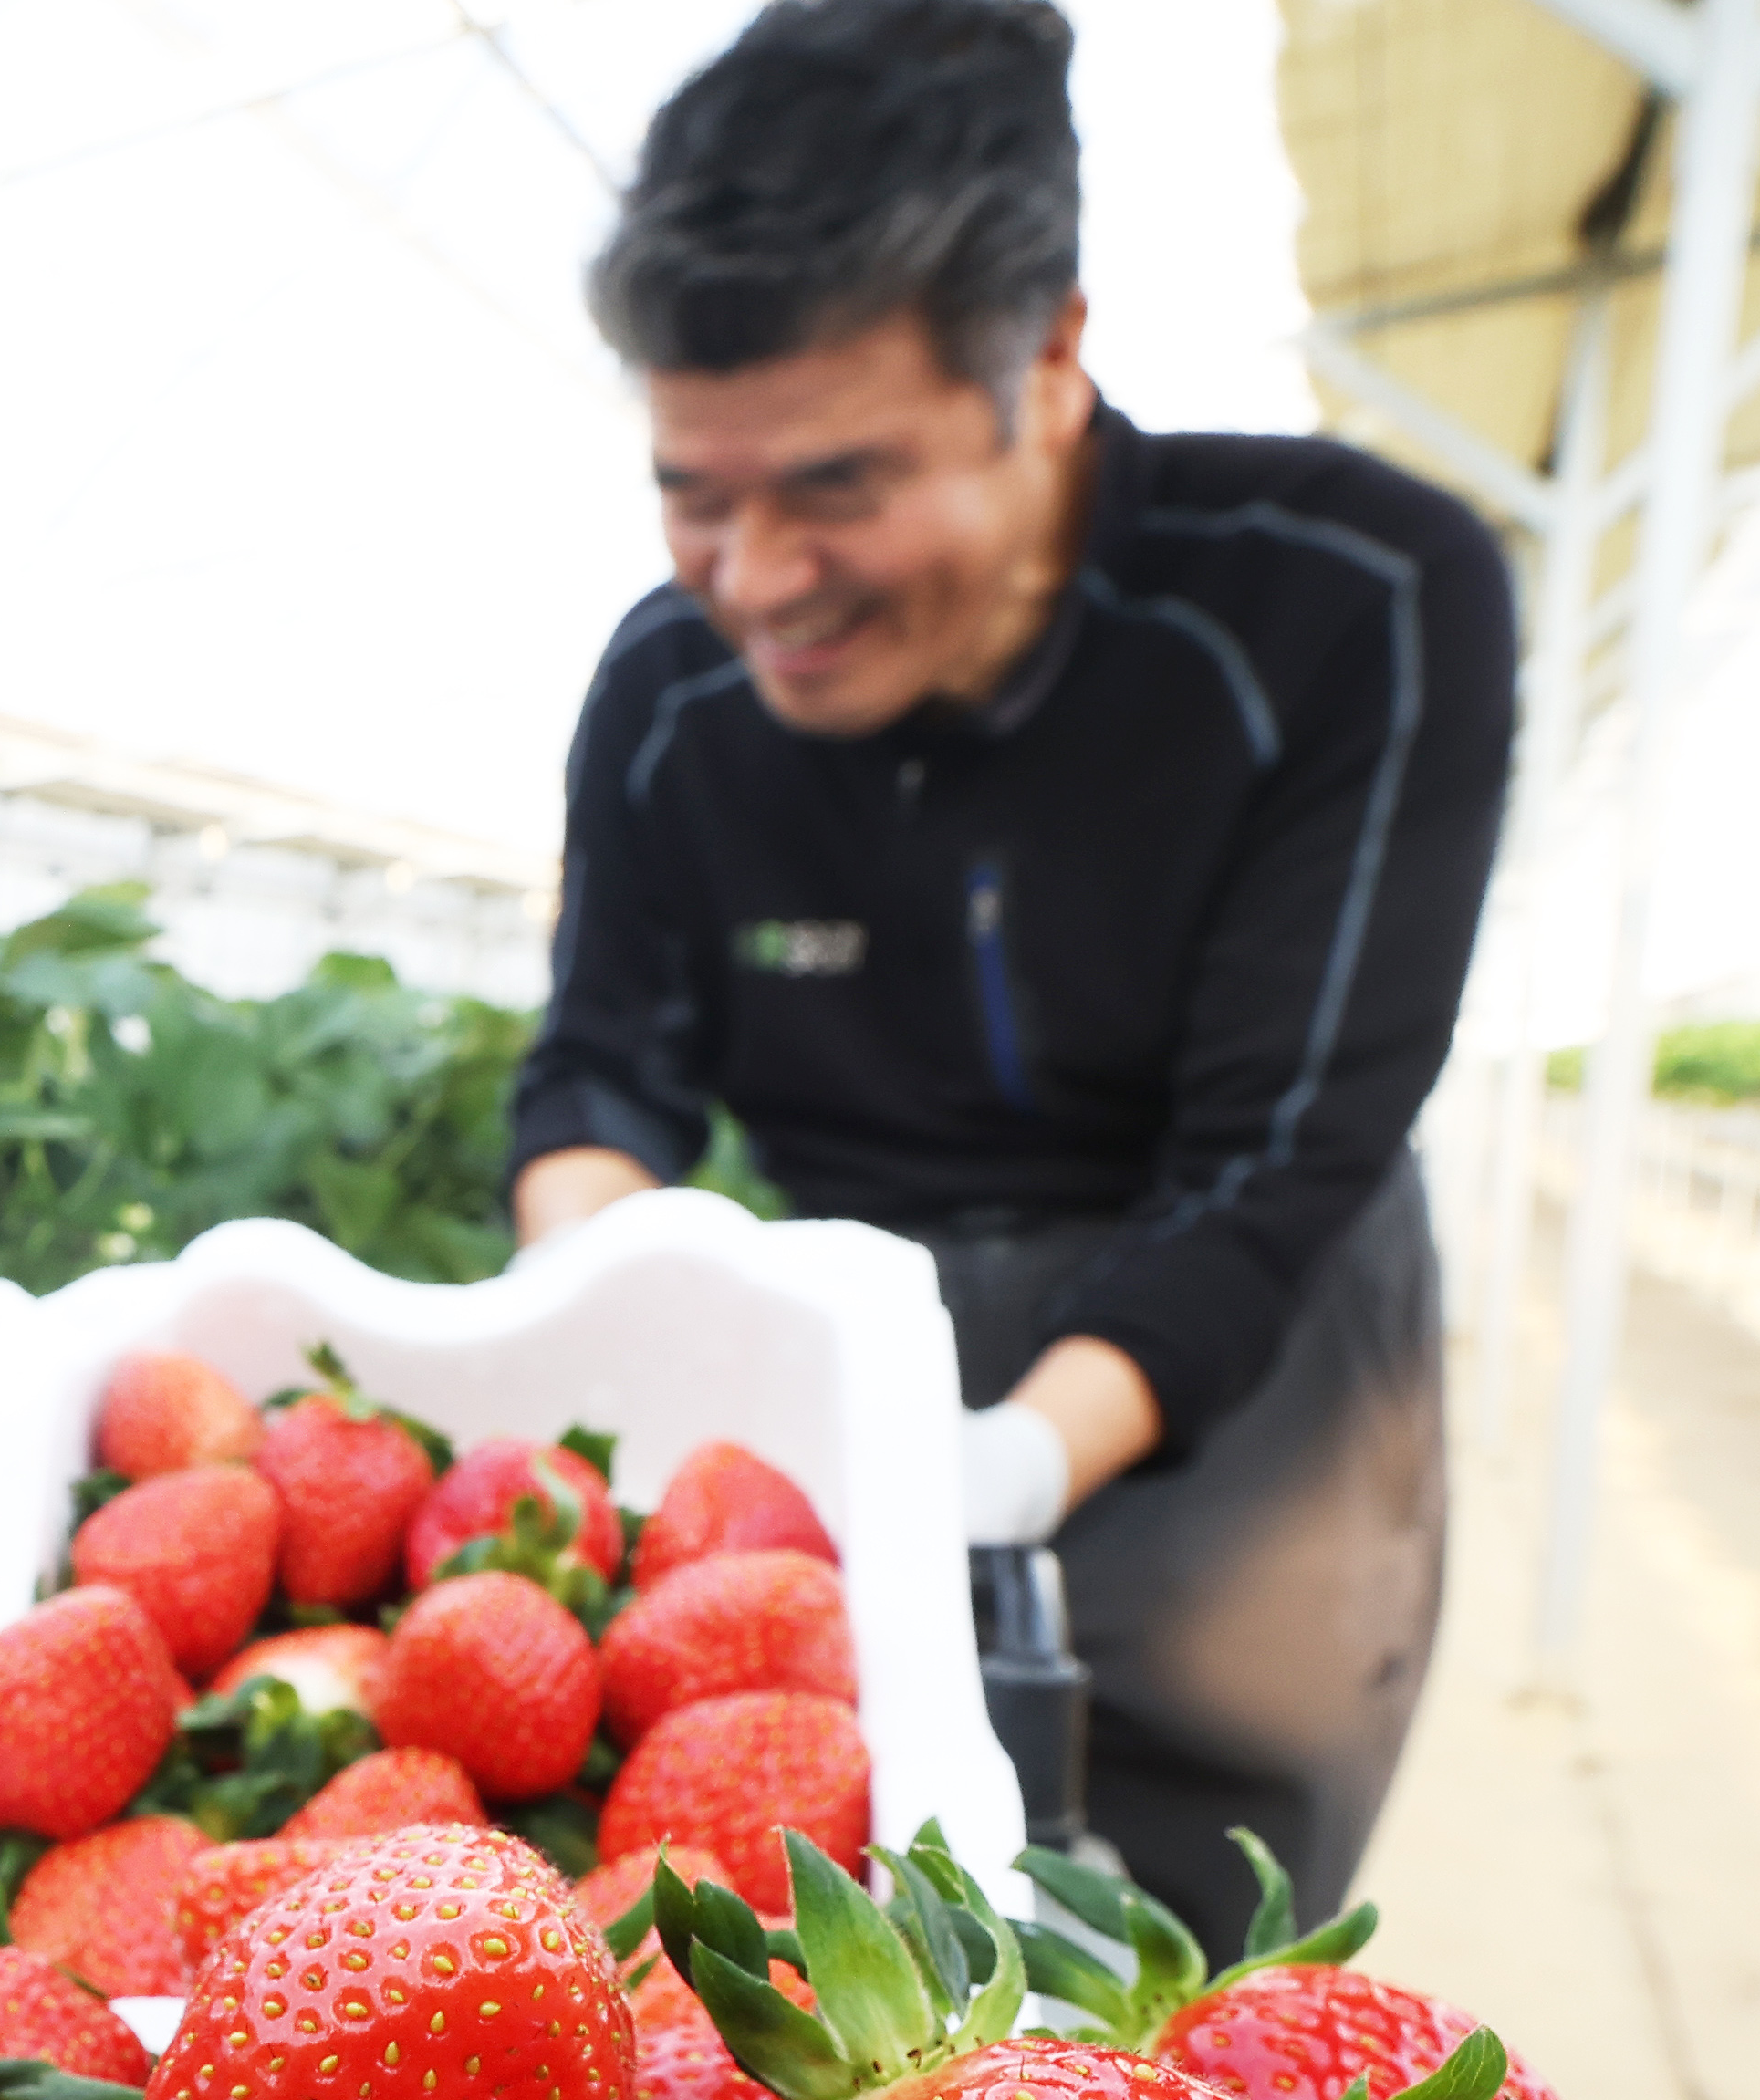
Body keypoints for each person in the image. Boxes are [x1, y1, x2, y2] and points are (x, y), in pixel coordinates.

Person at [506, 0, 1515, 1959]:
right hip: (863, 1305)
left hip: (1247, 1359)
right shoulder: (665, 691)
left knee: (1177, 1934)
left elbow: (1281, 1151)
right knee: (839, 1940)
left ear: (1048, 356)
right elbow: (599, 1075)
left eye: (837, 487)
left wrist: (1011, 1460)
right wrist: (600, 1317)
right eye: (693, 492)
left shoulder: (1351, 598)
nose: (756, 576)